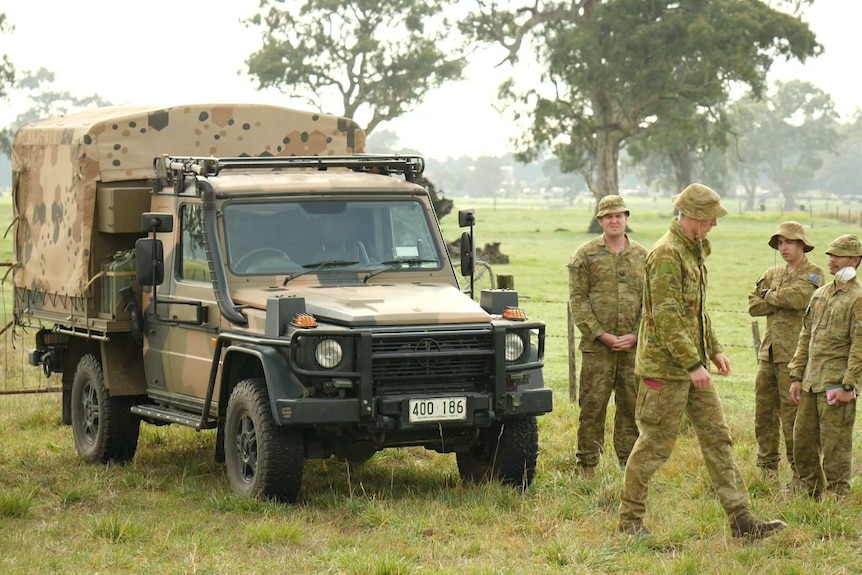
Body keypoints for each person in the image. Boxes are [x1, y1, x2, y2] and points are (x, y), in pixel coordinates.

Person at [618, 183, 786, 539]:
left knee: (718, 438)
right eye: (710, 218)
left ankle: (742, 522)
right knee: (654, 445)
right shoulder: (667, 254)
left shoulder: (691, 251)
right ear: (693, 217)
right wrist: (694, 364)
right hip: (665, 370)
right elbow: (666, 317)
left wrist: (714, 350)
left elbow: (696, 313)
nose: (714, 225)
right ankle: (629, 523)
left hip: (693, 368)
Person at [567, 195, 647, 477]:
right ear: (600, 220)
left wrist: (636, 335)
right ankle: (587, 466)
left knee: (631, 407)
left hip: (632, 350)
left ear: (626, 218)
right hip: (596, 349)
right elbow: (578, 301)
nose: (614, 220)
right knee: (592, 406)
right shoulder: (585, 255)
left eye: (619, 215)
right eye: (608, 216)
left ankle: (630, 467)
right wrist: (601, 335)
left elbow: (651, 302)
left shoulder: (643, 256)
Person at [748, 222, 823, 483]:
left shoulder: (813, 274)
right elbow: (753, 305)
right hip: (768, 354)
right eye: (780, 243)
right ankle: (767, 468)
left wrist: (770, 297)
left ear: (802, 244)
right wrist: (774, 298)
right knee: (764, 412)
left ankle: (799, 473)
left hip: (795, 357)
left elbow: (799, 299)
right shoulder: (772, 272)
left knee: (793, 416)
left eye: (788, 242)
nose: (783, 248)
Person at [788, 234, 862, 498]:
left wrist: (848, 384)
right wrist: (796, 376)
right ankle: (808, 490)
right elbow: (805, 337)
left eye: (838, 255)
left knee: (836, 444)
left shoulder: (857, 298)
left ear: (855, 259)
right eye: (830, 255)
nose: (831, 260)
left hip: (835, 384)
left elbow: (859, 346)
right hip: (809, 382)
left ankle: (837, 498)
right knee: (803, 442)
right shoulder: (820, 295)